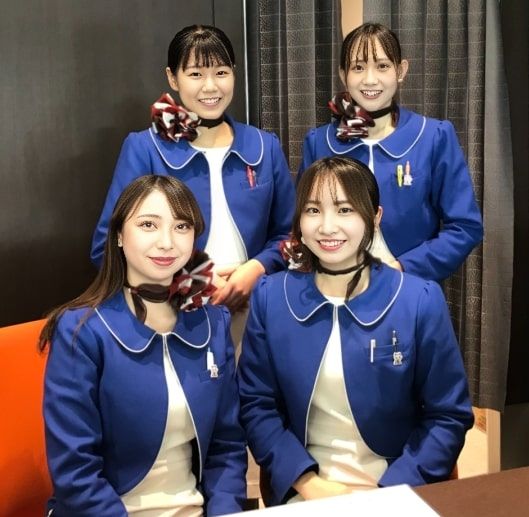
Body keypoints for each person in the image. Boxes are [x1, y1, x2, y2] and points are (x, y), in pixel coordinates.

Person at [238, 157, 474, 506]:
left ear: (375, 217)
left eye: (345, 210)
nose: (327, 227)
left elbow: (448, 415)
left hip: (397, 492)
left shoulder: (418, 299)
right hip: (304, 493)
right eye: (313, 210)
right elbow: (256, 406)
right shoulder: (271, 297)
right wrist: (308, 483)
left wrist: (388, 494)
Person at [39, 175, 246, 516]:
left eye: (181, 227)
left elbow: (227, 447)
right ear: (119, 235)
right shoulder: (82, 331)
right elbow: (76, 473)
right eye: (148, 224)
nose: (166, 242)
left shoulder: (212, 323)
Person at [91, 24, 295, 321]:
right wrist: (196, 281)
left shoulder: (264, 145)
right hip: (173, 315)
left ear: (234, 73)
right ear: (173, 78)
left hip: (257, 308)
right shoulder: (145, 148)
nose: (210, 87)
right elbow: (106, 248)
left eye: (221, 72)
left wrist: (257, 268)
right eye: (196, 74)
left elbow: (292, 234)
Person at [299, 22, 483, 281]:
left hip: (407, 288)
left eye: (382, 66)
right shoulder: (319, 142)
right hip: (332, 286)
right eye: (358, 67)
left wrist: (402, 269)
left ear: (401, 70)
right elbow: (302, 222)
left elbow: (465, 226)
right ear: (343, 74)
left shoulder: (433, 136)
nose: (370, 79)